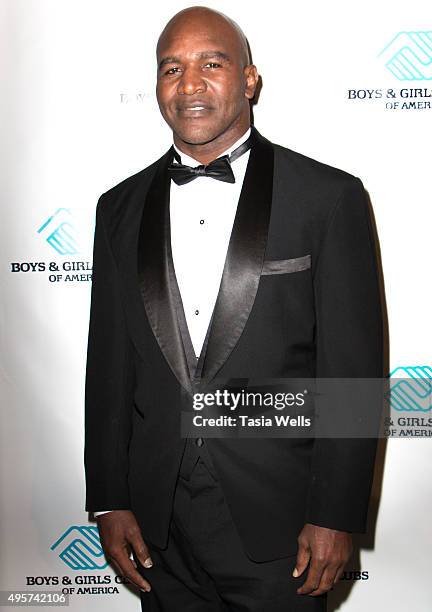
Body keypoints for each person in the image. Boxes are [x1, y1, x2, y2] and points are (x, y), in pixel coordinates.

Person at [84, 6, 384, 611]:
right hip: (156, 526)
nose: (189, 84)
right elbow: (108, 366)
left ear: (249, 80)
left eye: (211, 64)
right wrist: (109, 498)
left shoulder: (329, 198)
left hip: (282, 525)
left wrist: (334, 513)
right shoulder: (117, 208)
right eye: (171, 68)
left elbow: (354, 371)